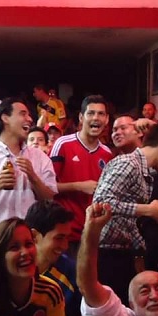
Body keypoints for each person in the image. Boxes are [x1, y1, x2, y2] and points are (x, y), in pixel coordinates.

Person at [92, 121, 158, 304]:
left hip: (122, 252)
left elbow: (128, 222)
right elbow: (101, 203)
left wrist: (148, 253)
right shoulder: (129, 164)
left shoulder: (144, 172)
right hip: (106, 252)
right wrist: (147, 210)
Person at [0, 98, 57, 255]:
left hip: (32, 246)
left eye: (29, 115)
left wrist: (33, 177)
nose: (30, 119)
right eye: (23, 114)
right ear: (5, 118)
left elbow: (49, 200)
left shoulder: (40, 158)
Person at [50, 95, 113, 256]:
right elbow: (47, 187)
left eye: (101, 114)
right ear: (81, 117)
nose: (96, 118)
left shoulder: (107, 153)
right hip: (66, 233)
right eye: (91, 113)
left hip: (94, 233)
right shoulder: (62, 144)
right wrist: (78, 186)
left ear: (106, 119)